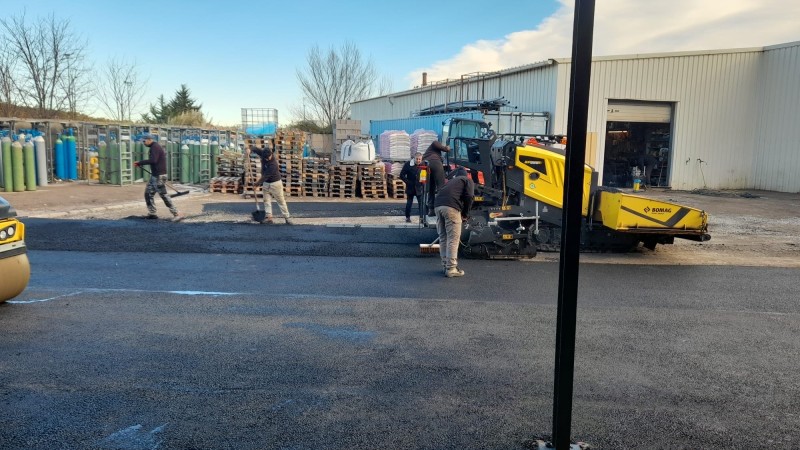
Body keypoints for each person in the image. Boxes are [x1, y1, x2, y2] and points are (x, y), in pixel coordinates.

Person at [433, 167, 474, 278]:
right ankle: (451, 268)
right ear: (466, 175)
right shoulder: (467, 180)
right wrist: (466, 213)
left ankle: (445, 265)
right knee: (453, 238)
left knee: (443, 237)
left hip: (438, 206)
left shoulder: (451, 182)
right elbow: (469, 196)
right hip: (451, 207)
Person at [134, 134, 184, 221]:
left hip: (159, 176)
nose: (143, 143)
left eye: (144, 141)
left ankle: (177, 213)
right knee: (148, 193)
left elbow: (154, 160)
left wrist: (140, 162)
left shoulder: (155, 147)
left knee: (163, 195)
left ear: (149, 139)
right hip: (155, 175)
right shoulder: (153, 147)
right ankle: (152, 213)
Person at [246, 141, 293, 225]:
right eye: (265, 158)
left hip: (276, 184)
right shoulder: (264, 154)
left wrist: (256, 184)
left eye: (268, 157)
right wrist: (249, 149)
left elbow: (265, 176)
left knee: (281, 201)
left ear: (271, 154)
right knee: (266, 201)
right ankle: (269, 218)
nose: (267, 159)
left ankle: (287, 218)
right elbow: (255, 149)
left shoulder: (273, 164)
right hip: (266, 184)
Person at [421, 140, 450, 216]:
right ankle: (441, 210)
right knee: (441, 186)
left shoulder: (430, 152)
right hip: (435, 162)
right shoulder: (435, 143)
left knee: (431, 188)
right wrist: (446, 148)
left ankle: (431, 210)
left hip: (426, 165)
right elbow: (436, 144)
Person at [399, 152, 424, 223]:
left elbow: (424, 175)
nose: (418, 160)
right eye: (417, 159)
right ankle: (407, 217)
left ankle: (421, 218)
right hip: (410, 187)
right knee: (409, 203)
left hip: (419, 187)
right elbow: (401, 175)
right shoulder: (408, 164)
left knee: (421, 204)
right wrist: (407, 182)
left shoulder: (423, 165)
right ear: (414, 158)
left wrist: (423, 183)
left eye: (420, 159)